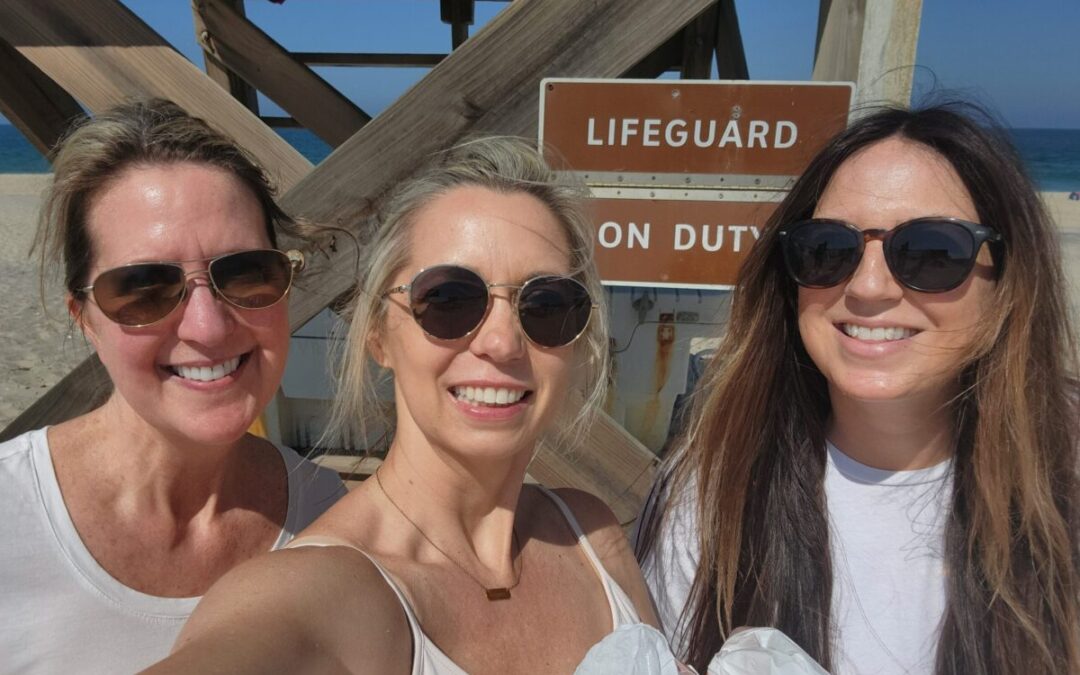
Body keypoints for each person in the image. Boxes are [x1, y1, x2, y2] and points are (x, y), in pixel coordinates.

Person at [145, 136, 660, 674]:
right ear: (378, 335)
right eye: (448, 299)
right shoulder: (325, 595)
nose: (503, 342)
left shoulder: (591, 535)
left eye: (547, 304)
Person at [637, 103, 1080, 675]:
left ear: (1008, 279)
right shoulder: (712, 494)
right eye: (828, 249)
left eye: (932, 252)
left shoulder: (1065, 484)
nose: (868, 287)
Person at [0, 99, 345, 673]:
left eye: (246, 273)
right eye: (142, 288)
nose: (207, 328)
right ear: (83, 317)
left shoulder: (327, 518)